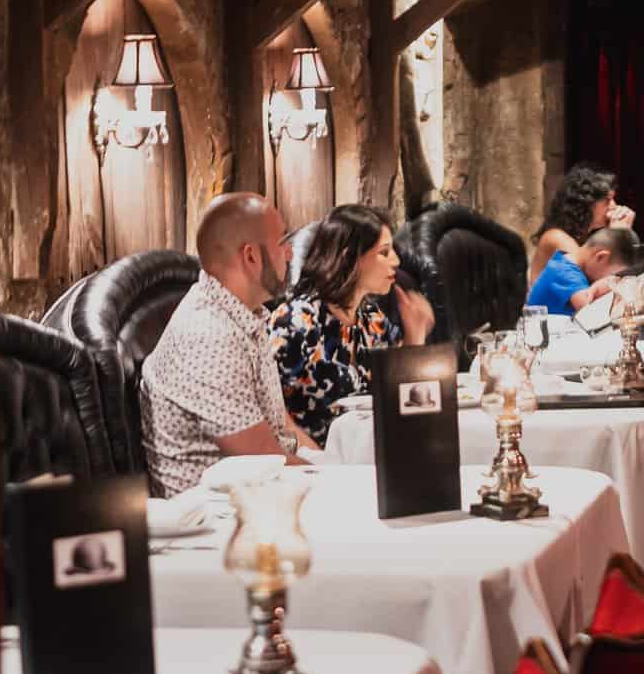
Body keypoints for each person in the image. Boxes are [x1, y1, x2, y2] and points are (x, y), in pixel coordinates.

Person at [137, 191, 314, 496]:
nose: (289, 253)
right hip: (217, 520)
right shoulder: (208, 337)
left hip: (260, 491)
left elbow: (279, 424)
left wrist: (325, 463)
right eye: (282, 241)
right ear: (251, 256)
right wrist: (336, 480)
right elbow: (266, 460)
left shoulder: (240, 311)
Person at [267, 205, 435, 447]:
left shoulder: (371, 319)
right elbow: (272, 415)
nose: (396, 261)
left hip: (369, 455)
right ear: (349, 258)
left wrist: (414, 336)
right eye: (384, 252)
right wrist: (321, 463)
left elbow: (400, 397)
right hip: (313, 467)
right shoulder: (294, 322)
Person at [529, 162, 634, 294]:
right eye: (607, 201)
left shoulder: (585, 237)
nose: (614, 206)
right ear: (586, 203)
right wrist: (617, 236)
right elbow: (599, 284)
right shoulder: (557, 237)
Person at [526, 224, 635, 317]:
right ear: (601, 257)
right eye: (612, 274)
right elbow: (592, 315)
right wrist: (611, 284)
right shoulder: (565, 273)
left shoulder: (566, 261)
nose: (608, 278)